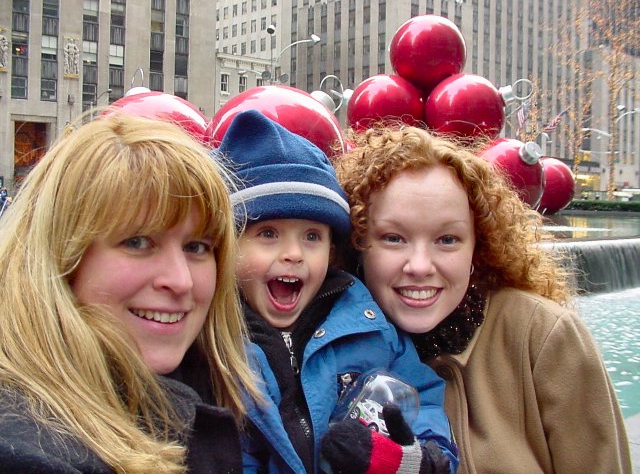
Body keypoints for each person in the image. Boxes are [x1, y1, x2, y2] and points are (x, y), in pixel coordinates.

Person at [332, 124, 632, 474]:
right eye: (394, 238)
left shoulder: (543, 337)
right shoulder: (322, 346)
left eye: (447, 240)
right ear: (357, 244)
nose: (419, 266)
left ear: (479, 246)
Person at [0, 114, 260, 473]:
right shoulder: (26, 451)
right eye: (138, 242)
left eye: (197, 247)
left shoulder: (208, 384)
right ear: (61, 256)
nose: (181, 280)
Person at [214, 110, 458, 474]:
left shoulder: (367, 324)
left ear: (332, 250)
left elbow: (424, 404)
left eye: (312, 237)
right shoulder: (213, 339)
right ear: (227, 245)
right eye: (268, 234)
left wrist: (413, 462)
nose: (294, 253)